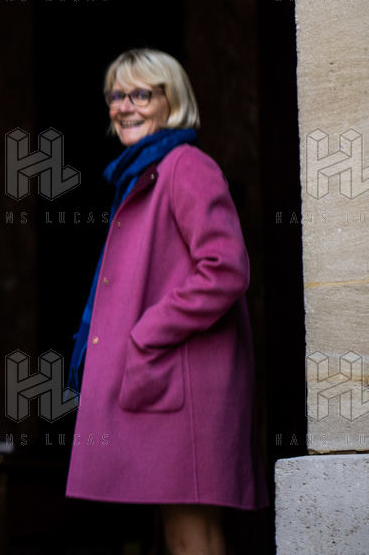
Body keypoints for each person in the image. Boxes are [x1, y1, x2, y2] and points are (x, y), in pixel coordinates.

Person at [64, 48, 268, 554]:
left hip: (186, 379)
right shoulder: (142, 172)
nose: (124, 106)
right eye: (116, 95)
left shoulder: (185, 166)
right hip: (165, 379)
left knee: (190, 535)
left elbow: (226, 269)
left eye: (140, 94)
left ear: (170, 101)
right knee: (181, 533)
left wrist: (146, 332)